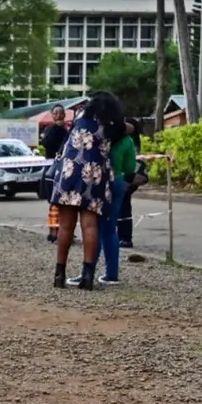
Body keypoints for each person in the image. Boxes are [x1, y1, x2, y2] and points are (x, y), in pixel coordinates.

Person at [51, 92, 128, 290]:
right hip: (94, 175)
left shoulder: (80, 118)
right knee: (90, 226)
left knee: (66, 225)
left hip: (70, 171)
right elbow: (128, 129)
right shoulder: (114, 127)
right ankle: (87, 277)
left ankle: (59, 274)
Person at [41, 104, 70, 242]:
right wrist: (56, 128)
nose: (59, 115)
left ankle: (64, 230)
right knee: (53, 202)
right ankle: (53, 232)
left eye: (61, 112)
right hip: (52, 169)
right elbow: (46, 143)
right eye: (56, 113)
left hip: (66, 169)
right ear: (52, 115)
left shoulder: (68, 130)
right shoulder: (49, 129)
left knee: (65, 202)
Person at [117, 118, 143, 248]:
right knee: (122, 207)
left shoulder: (130, 142)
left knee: (123, 207)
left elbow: (133, 164)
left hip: (126, 178)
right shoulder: (130, 141)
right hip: (124, 178)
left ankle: (125, 237)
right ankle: (123, 236)